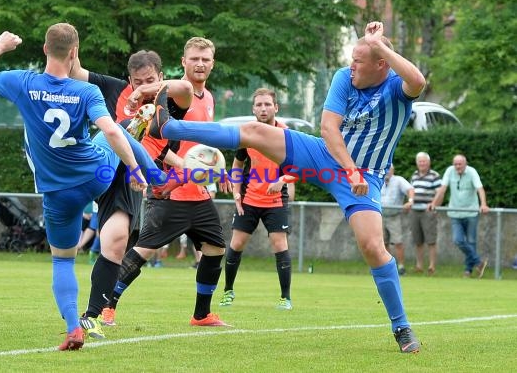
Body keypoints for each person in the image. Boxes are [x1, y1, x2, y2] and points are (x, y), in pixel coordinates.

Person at [146, 21, 426, 353]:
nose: (350, 67)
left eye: (359, 61)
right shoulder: (343, 79)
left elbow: (418, 81)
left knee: (371, 246)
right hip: (327, 155)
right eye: (351, 59)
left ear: (381, 62)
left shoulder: (396, 86)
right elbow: (328, 128)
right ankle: (169, 127)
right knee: (254, 131)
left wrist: (380, 46)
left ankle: (402, 327)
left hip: (366, 176)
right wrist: (349, 169)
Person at [0, 23, 168, 350]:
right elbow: (113, 134)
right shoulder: (87, 91)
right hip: (94, 174)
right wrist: (137, 170)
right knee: (121, 128)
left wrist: (0, 46)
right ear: (74, 53)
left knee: (62, 261)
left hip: (58, 194)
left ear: (45, 50)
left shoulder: (22, 82)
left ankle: (74, 328)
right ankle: (159, 178)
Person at [102, 36, 233, 328]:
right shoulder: (175, 95)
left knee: (215, 248)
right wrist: (146, 90)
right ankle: (105, 306)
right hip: (170, 192)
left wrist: (216, 166)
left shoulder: (208, 97)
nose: (200, 64)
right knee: (141, 253)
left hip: (197, 192)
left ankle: (201, 315)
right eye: (194, 59)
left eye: (205, 59)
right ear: (183, 62)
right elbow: (154, 142)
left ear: (212, 63)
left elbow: (198, 144)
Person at [69, 49, 192, 337]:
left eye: (150, 80)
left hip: (134, 180)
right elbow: (73, 71)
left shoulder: (170, 103)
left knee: (117, 243)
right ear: (128, 80)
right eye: (137, 82)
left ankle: (91, 315)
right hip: (108, 166)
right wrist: (69, 45)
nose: (142, 85)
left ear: (161, 77)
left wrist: (190, 167)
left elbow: (185, 88)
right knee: (121, 129)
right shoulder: (115, 89)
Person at [218, 88, 295, 310]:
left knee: (279, 244)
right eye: (259, 105)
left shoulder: (286, 134)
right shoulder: (248, 134)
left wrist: (283, 180)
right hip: (250, 199)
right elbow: (238, 164)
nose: (263, 108)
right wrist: (236, 192)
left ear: (276, 108)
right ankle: (228, 292)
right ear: (253, 109)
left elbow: (299, 165)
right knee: (236, 243)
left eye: (267, 104)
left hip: (275, 201)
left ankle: (285, 298)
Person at [430, 154, 489, 278]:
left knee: (471, 241)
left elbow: (480, 189)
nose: (457, 166)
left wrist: (483, 204)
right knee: (458, 240)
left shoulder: (472, 172)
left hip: (471, 213)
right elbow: (442, 189)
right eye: (455, 164)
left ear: (465, 164)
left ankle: (468, 270)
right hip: (455, 213)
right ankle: (479, 262)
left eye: (460, 164)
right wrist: (434, 203)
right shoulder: (449, 171)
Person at [410, 152, 441, 275]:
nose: (422, 163)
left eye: (424, 161)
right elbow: (411, 190)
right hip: (414, 211)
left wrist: (433, 203)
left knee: (431, 240)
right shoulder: (414, 175)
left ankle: (432, 266)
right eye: (420, 161)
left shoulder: (434, 175)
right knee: (417, 241)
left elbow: (439, 192)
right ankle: (419, 266)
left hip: (428, 212)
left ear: (428, 162)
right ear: (417, 163)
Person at [380, 164, 414, 276]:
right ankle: (387, 266)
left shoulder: (399, 180)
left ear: (393, 170)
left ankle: (401, 267)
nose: (387, 171)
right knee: (382, 243)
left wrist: (410, 201)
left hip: (394, 216)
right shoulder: (378, 179)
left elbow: (410, 189)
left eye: (389, 169)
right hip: (379, 216)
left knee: (398, 242)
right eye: (385, 169)